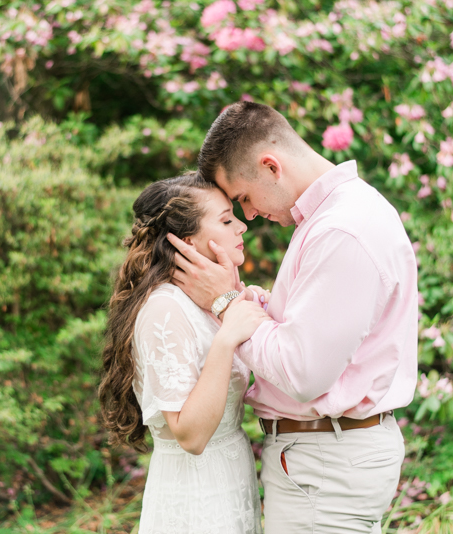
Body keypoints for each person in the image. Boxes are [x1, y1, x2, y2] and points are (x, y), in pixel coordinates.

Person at [167, 102, 419, 533]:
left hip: (326, 463)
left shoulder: (340, 229)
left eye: (243, 198)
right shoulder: (336, 217)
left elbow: (303, 372)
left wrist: (226, 303)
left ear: (270, 166)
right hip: (326, 457)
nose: (247, 216)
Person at [99, 172, 270, 534]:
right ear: (188, 241)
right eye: (225, 220)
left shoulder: (210, 303)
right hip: (195, 498)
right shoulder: (165, 309)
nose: (241, 227)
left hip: (232, 480)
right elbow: (190, 436)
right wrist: (227, 340)